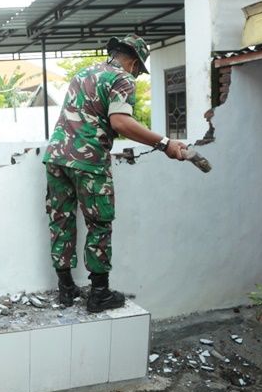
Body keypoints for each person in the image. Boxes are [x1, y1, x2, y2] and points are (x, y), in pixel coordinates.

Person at [42, 34, 187, 313]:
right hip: (89, 161)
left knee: (61, 220)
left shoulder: (84, 73)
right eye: (139, 70)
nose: (137, 75)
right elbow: (120, 122)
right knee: (99, 222)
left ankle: (66, 289)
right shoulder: (122, 79)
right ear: (133, 63)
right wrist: (164, 143)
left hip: (56, 157)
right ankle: (99, 294)